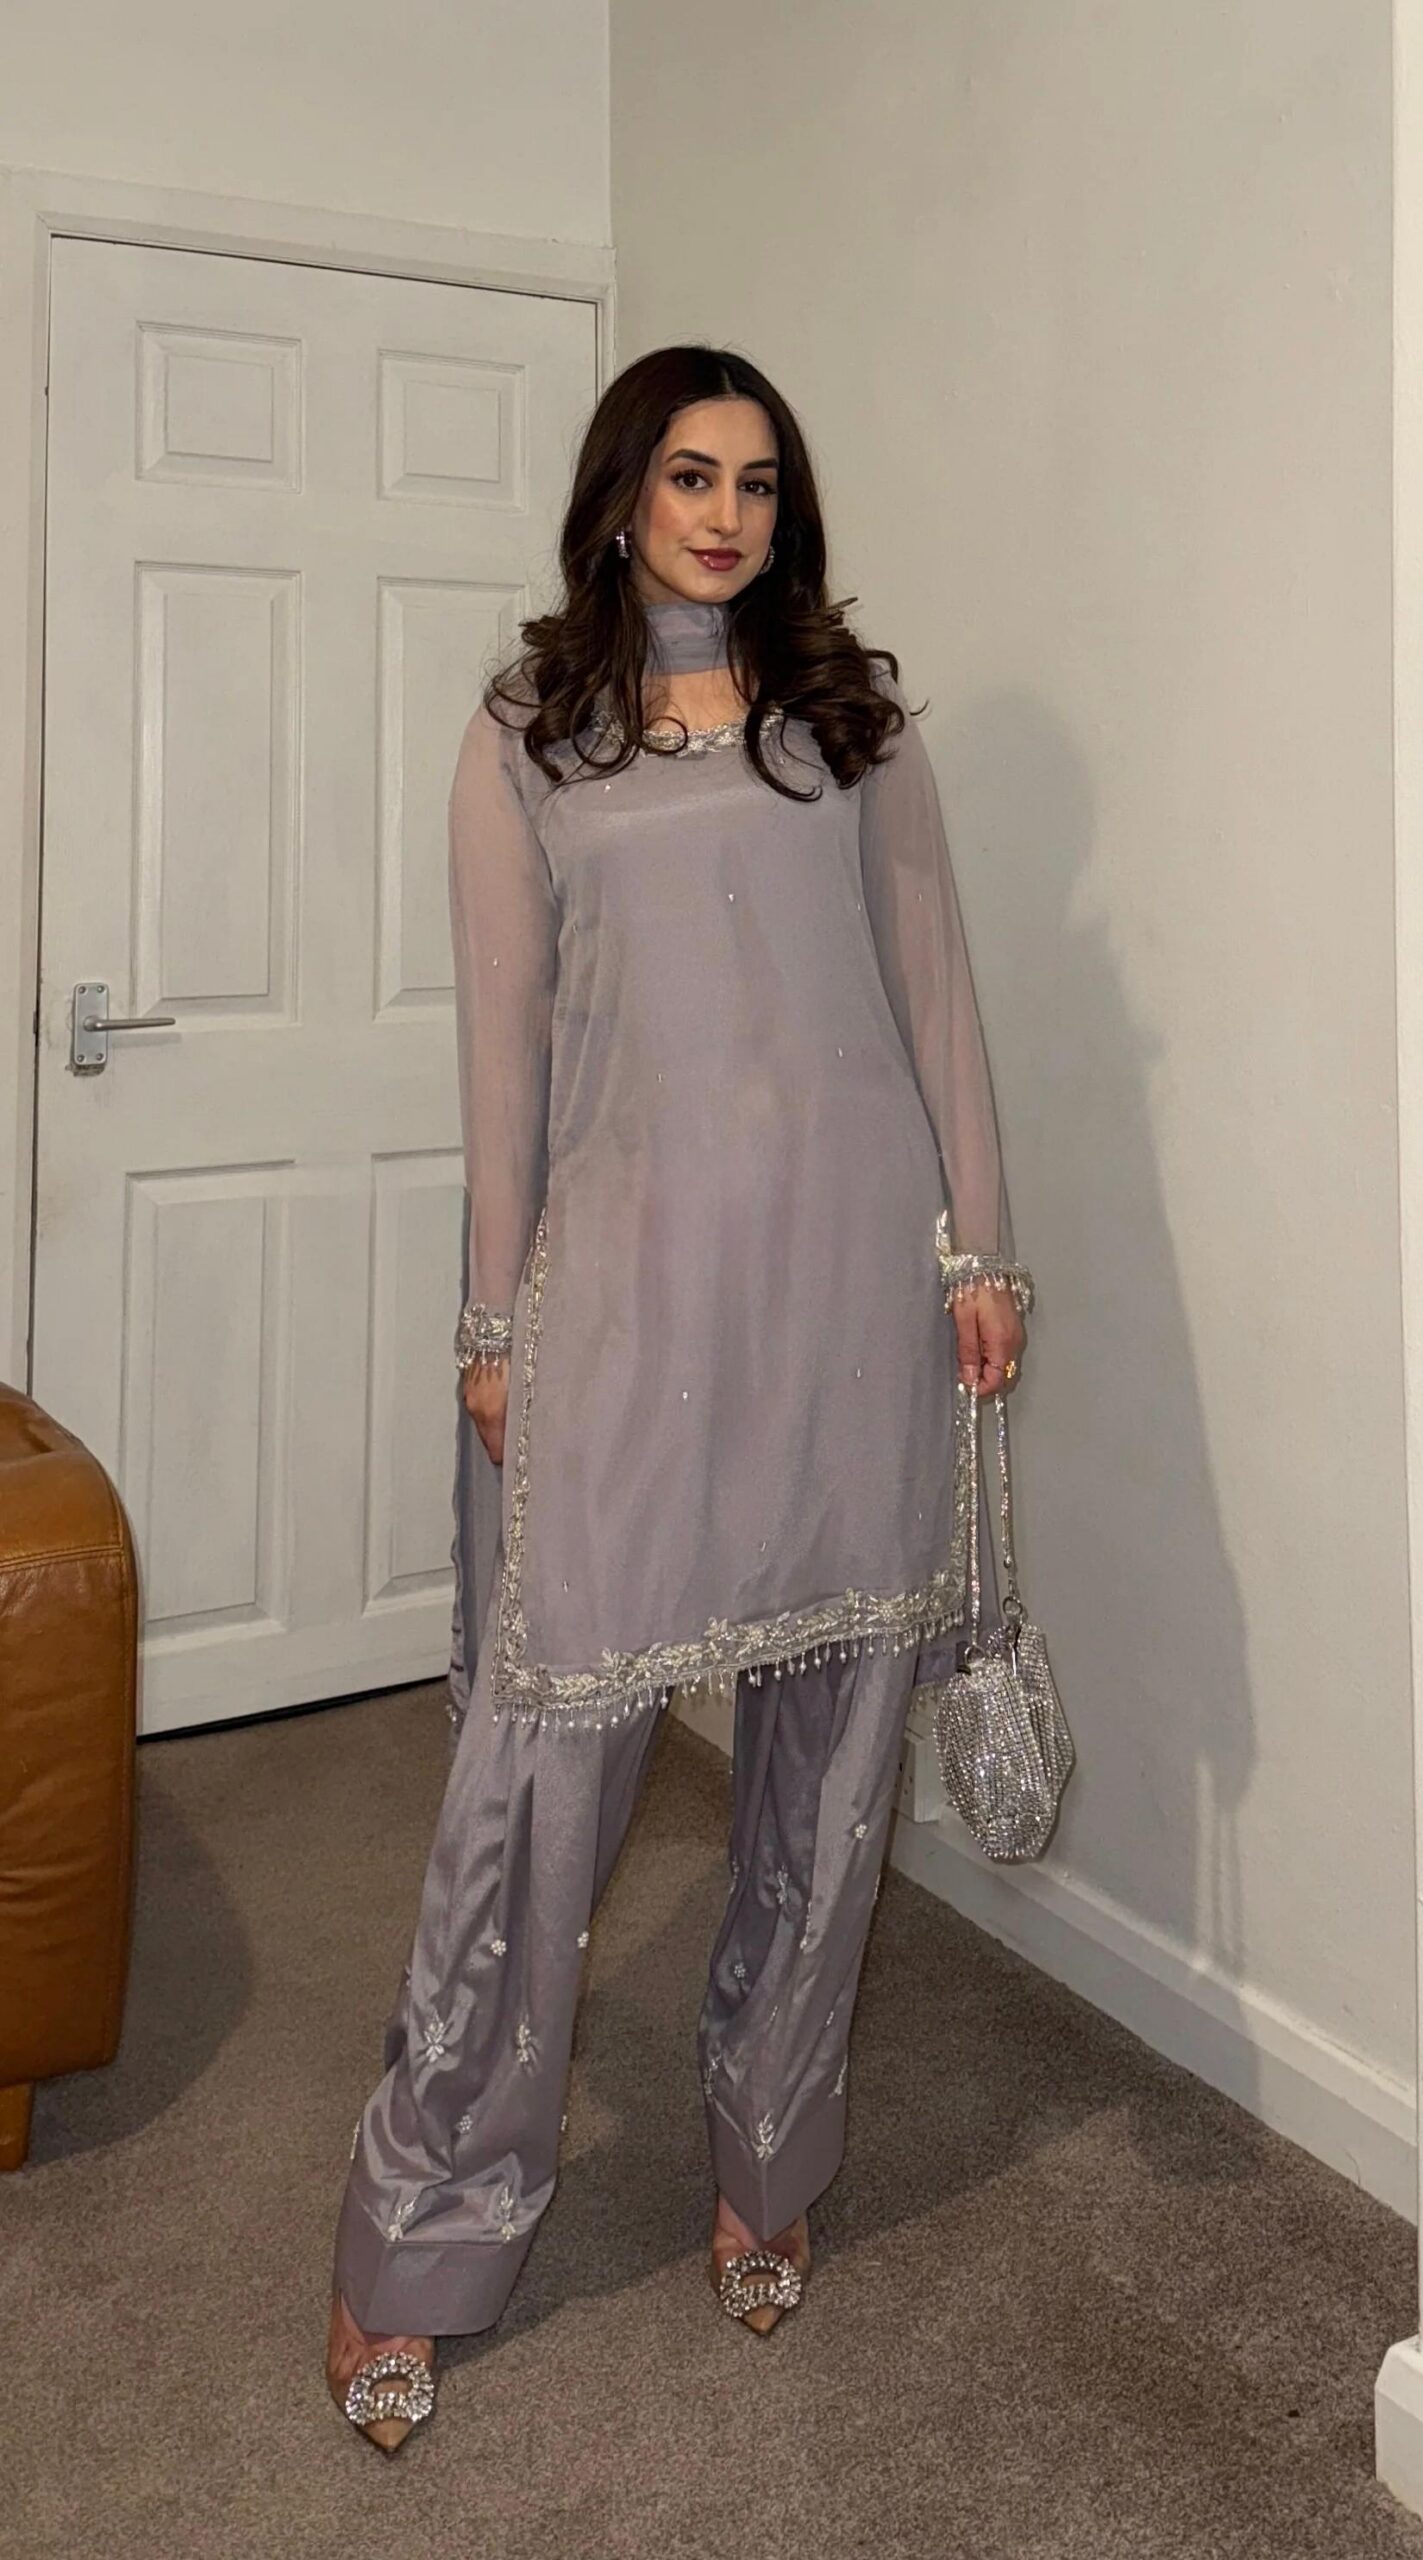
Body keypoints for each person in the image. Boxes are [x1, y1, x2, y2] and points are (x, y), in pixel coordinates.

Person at [325, 344, 1031, 2453]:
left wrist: (981, 1261)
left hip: (850, 1286)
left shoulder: (852, 726)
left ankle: (768, 2158)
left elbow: (938, 1002)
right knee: (542, 1775)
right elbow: (505, 1058)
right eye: (690, 474)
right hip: (630, 1288)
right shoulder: (529, 736)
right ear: (623, 491)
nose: (726, 514)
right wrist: (490, 1321)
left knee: (829, 1764)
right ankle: (422, 2225)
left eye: (758, 481)